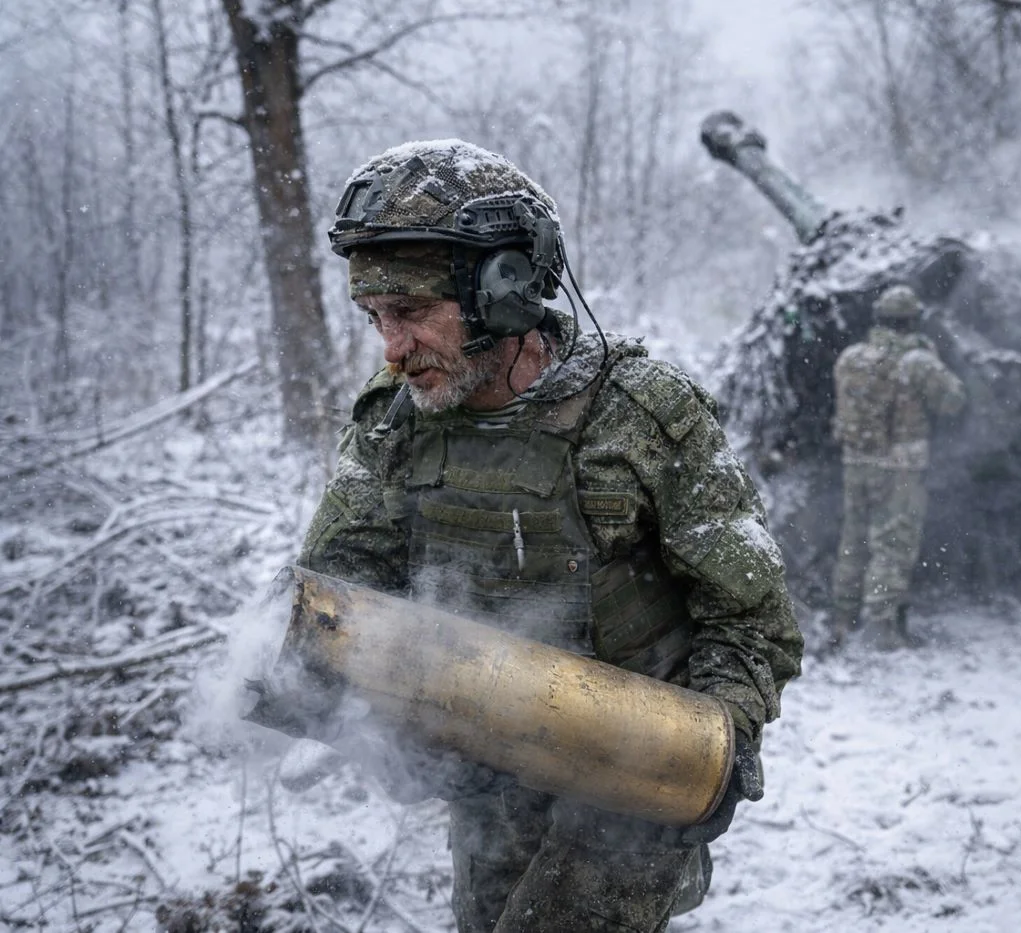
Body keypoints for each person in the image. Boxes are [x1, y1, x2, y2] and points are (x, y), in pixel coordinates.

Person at [297, 139, 804, 932]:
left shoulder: (639, 417)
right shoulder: (397, 417)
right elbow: (341, 585)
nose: (392, 350)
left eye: (412, 313)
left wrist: (719, 743)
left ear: (506, 290)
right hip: (485, 782)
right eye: (375, 318)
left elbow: (752, 619)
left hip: (628, 788)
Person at [828, 284, 966, 650]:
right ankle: (881, 627)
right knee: (892, 544)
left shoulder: (851, 356)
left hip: (855, 461)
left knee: (853, 540)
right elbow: (953, 401)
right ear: (913, 321)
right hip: (900, 467)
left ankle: (842, 619)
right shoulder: (917, 361)